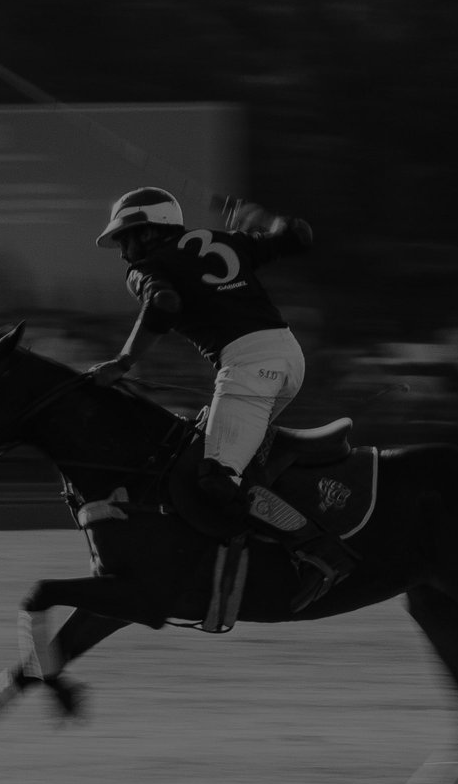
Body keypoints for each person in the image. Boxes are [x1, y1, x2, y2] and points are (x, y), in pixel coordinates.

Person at [91, 186, 352, 610]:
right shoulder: (227, 240)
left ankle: (320, 552)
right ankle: (257, 555)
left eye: (125, 238)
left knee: (215, 477)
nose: (123, 252)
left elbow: (164, 303)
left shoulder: (148, 265)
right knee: (236, 462)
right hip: (288, 356)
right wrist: (262, 220)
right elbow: (298, 235)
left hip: (251, 367)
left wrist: (122, 363)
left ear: (148, 231)